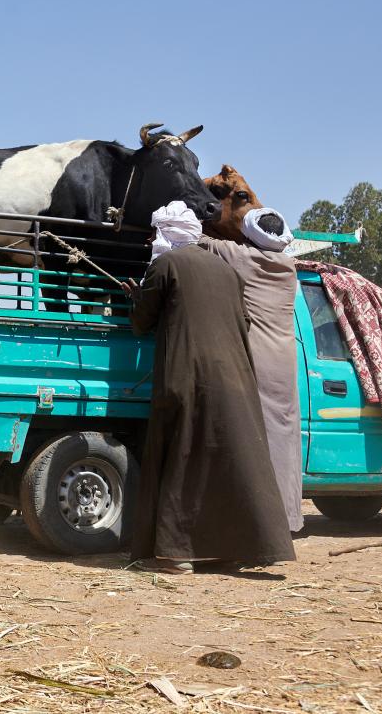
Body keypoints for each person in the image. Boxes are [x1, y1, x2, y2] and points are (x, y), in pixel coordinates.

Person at [121, 202, 295, 574]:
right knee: (222, 464)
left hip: (187, 376)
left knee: (181, 458)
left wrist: (134, 295)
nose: (154, 240)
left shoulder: (166, 264)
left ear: (166, 234)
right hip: (235, 379)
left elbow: (141, 322)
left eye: (156, 233)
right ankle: (229, 552)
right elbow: (243, 320)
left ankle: (174, 554)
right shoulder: (228, 270)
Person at [198, 208, 303, 532]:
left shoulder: (242, 258)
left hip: (252, 360)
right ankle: (285, 521)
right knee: (283, 441)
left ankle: (249, 522)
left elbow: (197, 239)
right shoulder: (289, 268)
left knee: (247, 440)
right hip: (284, 365)